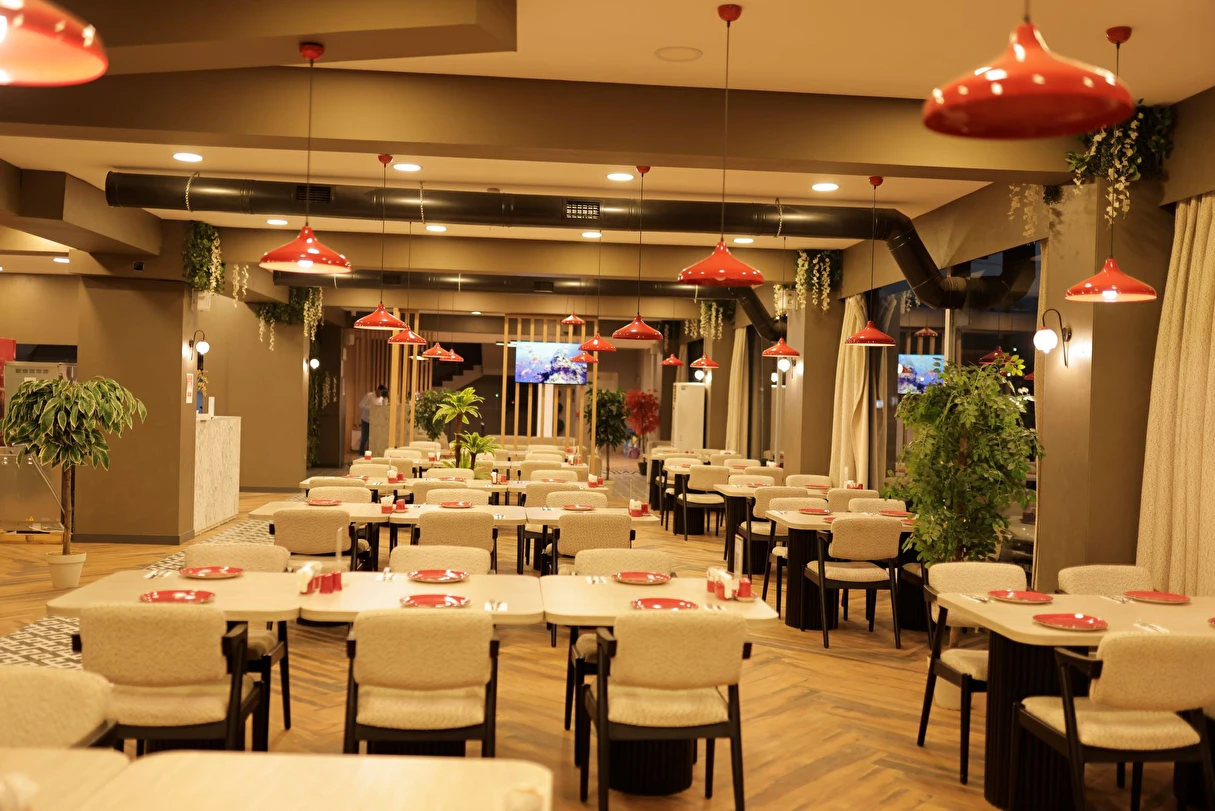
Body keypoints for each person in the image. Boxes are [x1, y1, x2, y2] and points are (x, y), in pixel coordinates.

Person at [358, 384, 388, 455]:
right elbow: (360, 405)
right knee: (364, 438)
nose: (381, 394)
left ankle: (370, 454)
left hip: (375, 422)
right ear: (377, 390)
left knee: (373, 439)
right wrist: (370, 409)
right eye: (381, 392)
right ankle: (361, 454)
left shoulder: (381, 399)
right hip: (366, 420)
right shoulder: (369, 395)